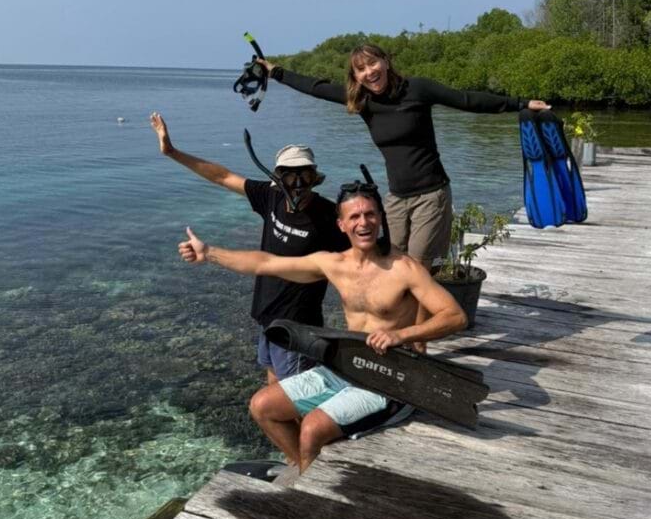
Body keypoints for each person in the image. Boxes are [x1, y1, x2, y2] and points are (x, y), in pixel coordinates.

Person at [178, 183, 467, 477]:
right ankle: (309, 474)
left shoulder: (404, 268)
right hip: (348, 365)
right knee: (262, 406)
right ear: (341, 225)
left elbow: (455, 316)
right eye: (354, 217)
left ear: (380, 217)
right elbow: (266, 262)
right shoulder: (334, 264)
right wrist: (209, 252)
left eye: (370, 214)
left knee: (312, 429)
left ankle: (310, 482)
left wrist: (401, 335)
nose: (363, 223)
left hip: (390, 377)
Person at [258, 44, 550, 268]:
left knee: (418, 267)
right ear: (355, 76)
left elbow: (466, 100)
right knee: (391, 263)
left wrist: (521, 103)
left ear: (386, 62)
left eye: (373, 63)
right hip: (396, 198)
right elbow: (316, 88)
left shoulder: (417, 89)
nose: (369, 72)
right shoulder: (362, 101)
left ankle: (421, 328)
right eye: (361, 69)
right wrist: (276, 72)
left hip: (431, 194)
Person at [150, 112, 348, 383]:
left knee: (294, 398)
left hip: (299, 328)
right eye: (290, 177)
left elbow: (362, 257)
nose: (298, 185)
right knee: (272, 386)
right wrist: (172, 152)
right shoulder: (271, 197)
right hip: (267, 317)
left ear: (314, 178)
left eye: (305, 176)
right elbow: (222, 176)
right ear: (278, 179)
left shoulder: (329, 217)